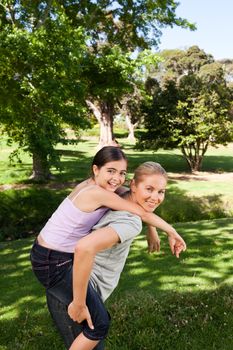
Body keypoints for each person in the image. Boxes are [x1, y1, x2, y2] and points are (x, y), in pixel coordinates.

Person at [44, 162, 186, 350]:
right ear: (133, 185)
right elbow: (85, 248)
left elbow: (144, 210)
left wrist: (153, 227)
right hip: (77, 297)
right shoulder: (130, 223)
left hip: (65, 289)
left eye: (161, 192)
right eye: (149, 189)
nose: (155, 197)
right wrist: (79, 303)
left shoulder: (118, 195)